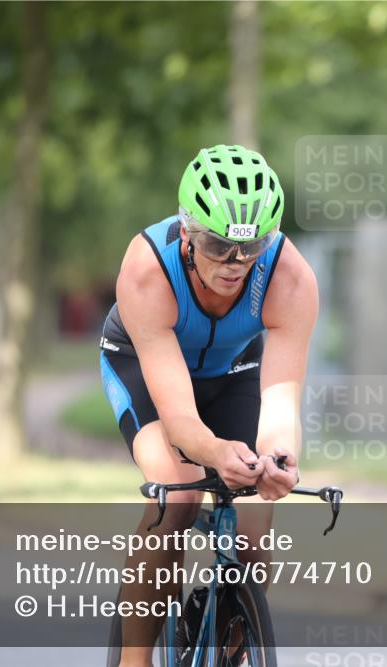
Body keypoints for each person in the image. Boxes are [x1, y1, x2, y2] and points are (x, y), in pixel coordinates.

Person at [99, 144, 319, 666]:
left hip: (233, 371)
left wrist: (279, 459)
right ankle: (134, 661)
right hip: (145, 368)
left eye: (253, 246)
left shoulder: (290, 277)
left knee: (254, 530)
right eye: (219, 245)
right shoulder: (146, 269)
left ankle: (232, 649)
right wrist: (216, 452)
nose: (237, 262)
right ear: (187, 231)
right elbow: (178, 419)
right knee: (177, 497)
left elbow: (281, 397)